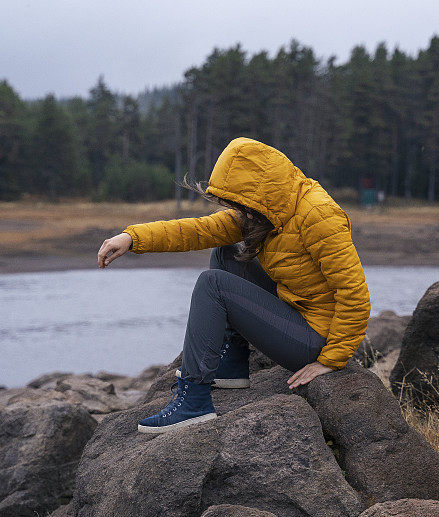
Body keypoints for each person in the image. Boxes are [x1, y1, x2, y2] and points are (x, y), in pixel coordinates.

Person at [97, 137, 370, 434]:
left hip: (315, 340)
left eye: (242, 205)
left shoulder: (319, 215)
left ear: (259, 194)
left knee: (212, 284)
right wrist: (132, 238)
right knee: (226, 254)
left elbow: (354, 294)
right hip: (297, 314)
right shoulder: (268, 209)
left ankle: (194, 402)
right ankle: (231, 365)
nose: (242, 213)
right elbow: (198, 230)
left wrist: (331, 360)